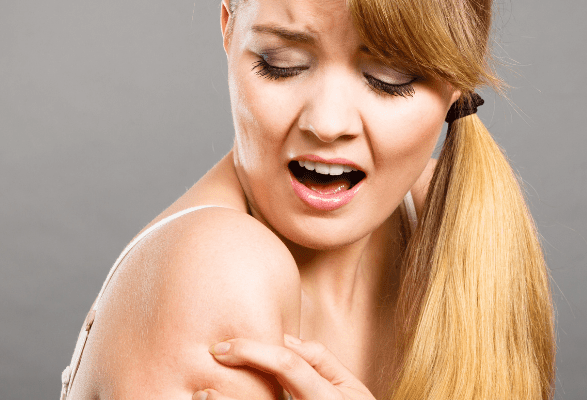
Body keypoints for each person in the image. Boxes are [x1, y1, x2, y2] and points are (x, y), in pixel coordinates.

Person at [60, 0, 555, 398]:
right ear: (229, 25)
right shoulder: (217, 268)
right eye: (281, 65)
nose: (328, 123)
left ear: (457, 81)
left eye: (391, 77)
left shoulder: (449, 216)